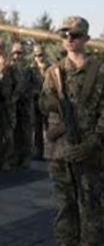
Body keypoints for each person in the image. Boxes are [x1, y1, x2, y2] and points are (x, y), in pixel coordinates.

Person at [41, 16, 103, 245]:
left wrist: (94, 140)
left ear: (86, 39)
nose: (68, 39)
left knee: (91, 206)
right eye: (64, 35)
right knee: (65, 206)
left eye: (74, 35)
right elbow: (41, 103)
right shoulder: (54, 72)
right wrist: (53, 104)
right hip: (60, 151)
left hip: (90, 150)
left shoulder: (99, 71)